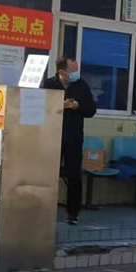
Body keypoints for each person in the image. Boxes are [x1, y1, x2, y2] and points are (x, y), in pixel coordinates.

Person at [43, 56, 97, 225]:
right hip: (52, 135)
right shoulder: (49, 84)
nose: (76, 74)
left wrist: (77, 106)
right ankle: (45, 211)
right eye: (73, 71)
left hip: (73, 136)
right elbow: (40, 106)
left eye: (77, 70)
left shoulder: (81, 85)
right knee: (48, 174)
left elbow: (91, 110)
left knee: (74, 174)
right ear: (61, 72)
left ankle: (73, 213)